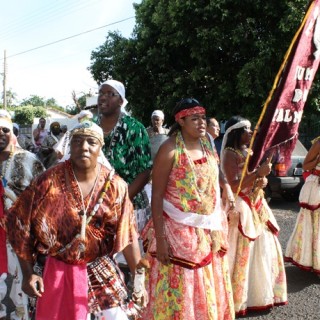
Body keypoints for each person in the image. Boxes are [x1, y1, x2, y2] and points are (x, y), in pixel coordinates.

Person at [6, 120, 148, 320]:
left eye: (91, 142)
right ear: (69, 145)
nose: (84, 147)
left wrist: (139, 283)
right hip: (54, 271)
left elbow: (128, 235)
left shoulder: (115, 186)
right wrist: (28, 274)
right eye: (78, 141)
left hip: (100, 270)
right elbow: (18, 224)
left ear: (101, 147)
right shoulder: (47, 182)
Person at [141, 98, 235, 320]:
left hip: (206, 231)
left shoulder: (207, 145)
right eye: (195, 119)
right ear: (181, 121)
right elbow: (156, 196)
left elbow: (216, 173)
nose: (202, 123)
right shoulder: (170, 149)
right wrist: (162, 240)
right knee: (181, 286)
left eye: (203, 118)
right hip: (175, 231)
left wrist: (227, 189)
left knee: (206, 282)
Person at [220, 115, 287, 316]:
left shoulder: (247, 151)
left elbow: (250, 179)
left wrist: (260, 181)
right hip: (241, 206)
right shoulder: (229, 153)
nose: (251, 133)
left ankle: (257, 294)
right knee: (242, 251)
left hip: (256, 204)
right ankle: (238, 297)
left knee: (263, 248)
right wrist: (257, 174)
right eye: (247, 130)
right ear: (236, 133)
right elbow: (232, 185)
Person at [0, 111, 45, 320]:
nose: (0, 134)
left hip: (21, 242)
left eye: (4, 130)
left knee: (22, 299)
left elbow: (45, 198)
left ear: (12, 132)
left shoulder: (28, 160)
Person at [97, 79, 152, 234]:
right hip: (96, 205)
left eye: (110, 94)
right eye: (101, 93)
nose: (103, 97)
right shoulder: (91, 127)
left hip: (129, 202)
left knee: (127, 253)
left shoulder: (134, 128)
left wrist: (120, 200)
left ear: (121, 100)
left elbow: (146, 170)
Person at [285, 136, 320, 273]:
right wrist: (318, 160)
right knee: (316, 225)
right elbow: (305, 166)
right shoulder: (319, 143)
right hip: (316, 189)